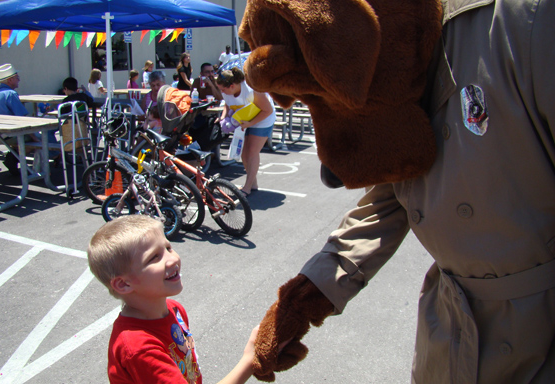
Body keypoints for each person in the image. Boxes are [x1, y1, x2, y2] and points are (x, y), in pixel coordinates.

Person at [246, 0, 555, 382]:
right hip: (448, 334)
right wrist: (301, 301)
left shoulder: (525, 22)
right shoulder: (401, 66)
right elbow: (393, 194)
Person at [87, 215, 260, 384]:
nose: (173, 259)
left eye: (168, 248)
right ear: (123, 284)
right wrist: (250, 360)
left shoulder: (175, 309)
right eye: (154, 257)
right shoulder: (138, 348)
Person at [216, 67, 276, 197]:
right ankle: (252, 184)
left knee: (252, 152)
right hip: (246, 117)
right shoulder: (227, 91)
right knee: (244, 154)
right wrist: (223, 118)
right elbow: (227, 105)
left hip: (263, 118)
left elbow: (268, 110)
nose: (221, 92)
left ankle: (247, 187)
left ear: (232, 86)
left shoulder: (250, 91)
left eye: (223, 89)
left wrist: (250, 124)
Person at [0, 63, 37, 174]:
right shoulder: (11, 94)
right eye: (16, 77)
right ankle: (16, 160)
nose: (19, 79)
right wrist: (34, 137)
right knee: (40, 141)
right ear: (10, 80)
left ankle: (12, 157)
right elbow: (23, 118)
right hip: (7, 135)